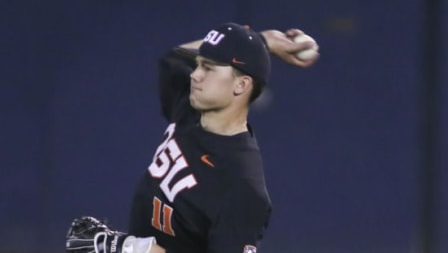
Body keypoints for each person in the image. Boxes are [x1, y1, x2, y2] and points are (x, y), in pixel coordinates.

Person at [65, 22, 319, 253]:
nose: (195, 74)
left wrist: (130, 248)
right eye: (198, 64)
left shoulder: (242, 188)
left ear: (240, 85)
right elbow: (174, 57)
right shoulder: (188, 109)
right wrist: (262, 42)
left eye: (208, 67)